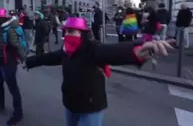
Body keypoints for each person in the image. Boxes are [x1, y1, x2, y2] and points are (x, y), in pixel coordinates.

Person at [24, 17, 174, 126]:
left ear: (82, 34)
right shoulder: (66, 51)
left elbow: (113, 52)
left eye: (73, 32)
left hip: (91, 107)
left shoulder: (92, 49)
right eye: (67, 31)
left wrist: (137, 51)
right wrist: (30, 62)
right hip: (70, 104)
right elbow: (49, 58)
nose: (69, 35)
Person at [0, 7, 25, 125]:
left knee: (13, 88)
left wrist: (24, 60)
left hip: (8, 64)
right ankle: (0, 105)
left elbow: (18, 46)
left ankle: (18, 113)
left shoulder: (9, 30)